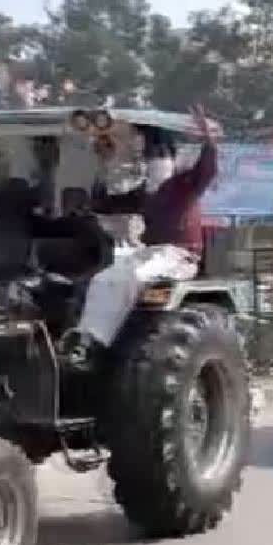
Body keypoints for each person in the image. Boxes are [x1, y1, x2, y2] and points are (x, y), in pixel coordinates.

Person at [61, 105, 219, 364]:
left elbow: (208, 170)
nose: (155, 164)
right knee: (103, 279)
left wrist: (208, 141)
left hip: (180, 255)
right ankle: (87, 341)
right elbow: (105, 204)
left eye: (159, 158)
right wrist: (103, 164)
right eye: (152, 158)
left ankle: (103, 340)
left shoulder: (183, 185)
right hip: (151, 253)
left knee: (134, 276)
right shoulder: (146, 194)